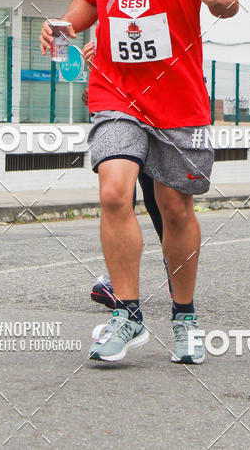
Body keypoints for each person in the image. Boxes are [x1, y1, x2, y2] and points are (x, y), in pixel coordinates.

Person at [40, 0, 239, 365]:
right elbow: (88, 0)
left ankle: (185, 316)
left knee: (174, 206)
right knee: (114, 190)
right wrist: (64, 24)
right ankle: (126, 315)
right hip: (115, 87)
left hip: (177, 91)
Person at [80, 39, 170, 308]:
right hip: (119, 116)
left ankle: (174, 266)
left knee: (160, 203)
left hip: (158, 110)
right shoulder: (108, 15)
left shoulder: (158, 11)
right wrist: (95, 70)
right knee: (118, 197)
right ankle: (117, 281)